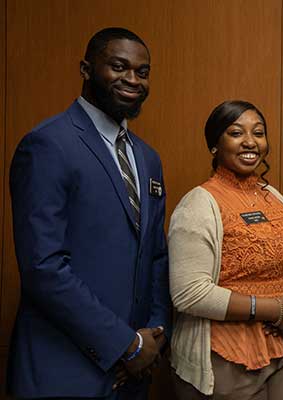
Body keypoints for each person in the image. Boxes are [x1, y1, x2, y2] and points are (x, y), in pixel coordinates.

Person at [7, 27, 170, 399]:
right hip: (65, 370)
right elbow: (43, 268)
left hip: (134, 375)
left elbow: (157, 257)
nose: (132, 79)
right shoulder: (48, 144)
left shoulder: (147, 158)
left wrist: (155, 337)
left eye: (142, 72)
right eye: (118, 66)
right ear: (86, 69)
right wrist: (124, 344)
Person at [168, 100, 283, 399]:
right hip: (225, 355)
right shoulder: (199, 203)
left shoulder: (275, 199)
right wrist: (274, 309)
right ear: (215, 145)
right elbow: (189, 293)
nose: (250, 142)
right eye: (236, 133)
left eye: (258, 133)